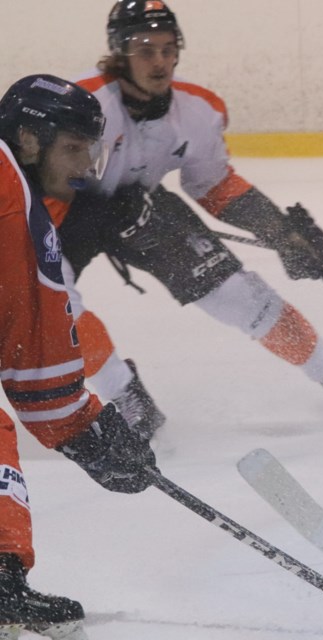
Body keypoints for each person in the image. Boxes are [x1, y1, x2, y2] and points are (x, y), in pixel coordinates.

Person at [57, 0, 323, 438]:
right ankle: (127, 395)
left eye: (168, 49)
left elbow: (211, 184)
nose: (160, 62)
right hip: (60, 218)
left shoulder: (197, 110)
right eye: (145, 49)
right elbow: (31, 181)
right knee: (54, 307)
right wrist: (92, 209)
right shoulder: (79, 103)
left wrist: (280, 232)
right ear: (119, 53)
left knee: (240, 295)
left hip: (144, 206)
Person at [0, 74, 158, 640]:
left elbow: (25, 345)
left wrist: (84, 430)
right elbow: (32, 351)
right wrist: (83, 430)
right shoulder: (14, 205)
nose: (87, 169)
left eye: (91, 152)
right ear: (28, 140)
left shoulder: (20, 206)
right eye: (73, 150)